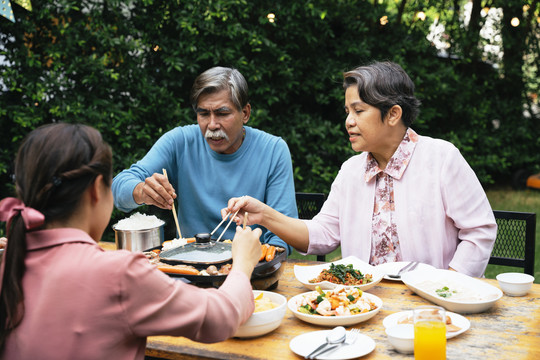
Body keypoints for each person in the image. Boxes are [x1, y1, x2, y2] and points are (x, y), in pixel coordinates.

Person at [0, 123, 262, 359]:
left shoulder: (10, 259)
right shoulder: (118, 274)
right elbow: (219, 317)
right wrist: (242, 264)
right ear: (96, 190)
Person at [223, 61, 497, 278]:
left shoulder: (441, 158)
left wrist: (448, 286)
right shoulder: (351, 171)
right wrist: (264, 215)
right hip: (363, 304)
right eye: (347, 111)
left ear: (393, 114)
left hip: (430, 309)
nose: (348, 122)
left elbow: (479, 231)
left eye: (358, 111)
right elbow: (322, 235)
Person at [112, 66, 296, 253]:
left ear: (246, 113)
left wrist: (262, 262)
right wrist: (141, 191)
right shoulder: (180, 141)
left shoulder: (273, 150)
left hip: (250, 268)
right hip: (186, 268)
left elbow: (283, 236)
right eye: (204, 114)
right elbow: (118, 189)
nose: (212, 125)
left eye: (222, 113)